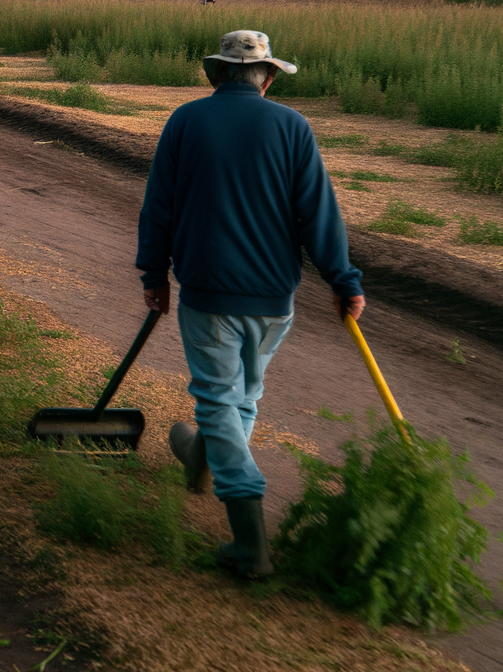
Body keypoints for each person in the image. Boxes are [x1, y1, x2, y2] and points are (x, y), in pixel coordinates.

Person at [137, 30, 364, 581]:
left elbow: (159, 205)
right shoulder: (292, 127)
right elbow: (319, 213)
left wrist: (154, 273)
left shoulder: (186, 122)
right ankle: (198, 461)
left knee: (219, 402)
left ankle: (250, 544)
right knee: (243, 396)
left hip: (209, 295)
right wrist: (344, 280)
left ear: (217, 74)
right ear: (266, 78)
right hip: (273, 302)